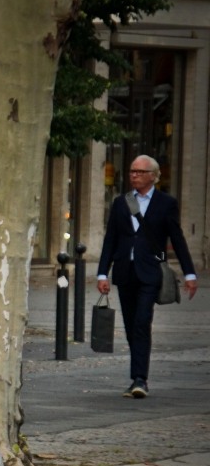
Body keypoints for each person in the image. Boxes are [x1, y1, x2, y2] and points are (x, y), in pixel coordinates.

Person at [96, 155, 198, 398]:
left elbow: (177, 238)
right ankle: (137, 374)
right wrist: (102, 273)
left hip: (151, 272)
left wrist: (190, 273)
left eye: (140, 172)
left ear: (153, 176)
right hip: (125, 271)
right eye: (132, 171)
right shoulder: (122, 202)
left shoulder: (166, 203)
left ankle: (139, 379)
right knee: (132, 326)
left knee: (142, 321)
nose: (134, 175)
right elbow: (111, 239)